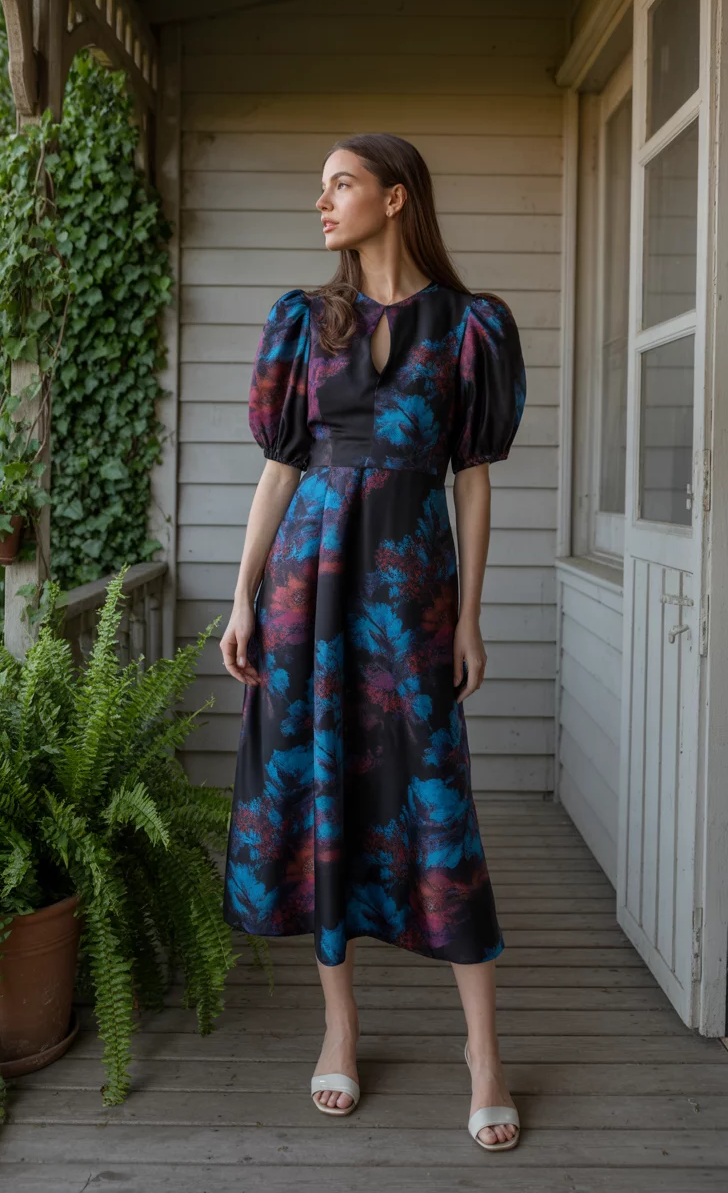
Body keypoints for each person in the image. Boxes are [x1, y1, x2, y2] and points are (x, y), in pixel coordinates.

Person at [220, 132, 526, 1152]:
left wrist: (470, 615)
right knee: (320, 790)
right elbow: (280, 468)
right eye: (320, 187)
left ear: (395, 198)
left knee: (438, 801)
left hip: (411, 596)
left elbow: (472, 480)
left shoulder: (471, 325)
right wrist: (241, 596)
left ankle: (484, 1054)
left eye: (340, 183)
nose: (323, 202)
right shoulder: (305, 321)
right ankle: (340, 1030)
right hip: (306, 591)